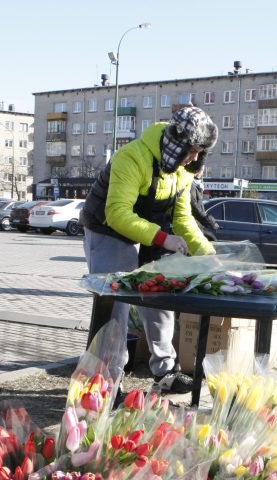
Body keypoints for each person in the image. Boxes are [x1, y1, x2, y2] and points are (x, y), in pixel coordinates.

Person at [80, 106, 217, 393]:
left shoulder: (183, 172)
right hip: (107, 226)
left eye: (198, 153)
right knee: (117, 301)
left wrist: (208, 255)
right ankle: (106, 381)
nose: (193, 158)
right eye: (190, 151)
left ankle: (165, 372)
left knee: (160, 293)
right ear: (175, 143)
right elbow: (117, 212)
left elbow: (182, 220)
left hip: (150, 231)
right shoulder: (132, 157)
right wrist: (163, 238)